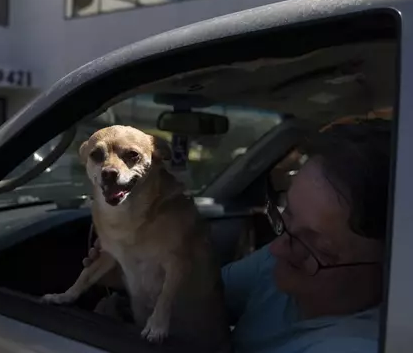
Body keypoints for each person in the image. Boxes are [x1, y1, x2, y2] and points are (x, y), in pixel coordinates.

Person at [82, 118, 391, 353]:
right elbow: (202, 295)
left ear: (393, 267)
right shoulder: (278, 265)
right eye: (286, 217)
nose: (279, 248)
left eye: (318, 248)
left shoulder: (354, 345)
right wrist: (133, 274)